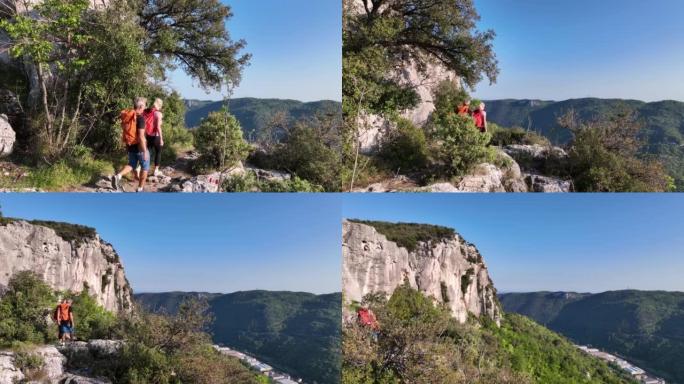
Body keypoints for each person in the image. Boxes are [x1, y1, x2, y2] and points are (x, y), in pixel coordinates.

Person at [112, 97, 150, 192]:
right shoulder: (140, 118)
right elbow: (141, 136)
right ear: (141, 106)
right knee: (145, 167)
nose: (145, 107)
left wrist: (127, 147)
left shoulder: (129, 116)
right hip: (139, 147)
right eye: (145, 105)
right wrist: (144, 151)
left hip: (130, 144)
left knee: (131, 164)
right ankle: (140, 188)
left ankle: (118, 176)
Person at [143, 98, 164, 177]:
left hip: (148, 135)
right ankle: (156, 170)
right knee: (158, 152)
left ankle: (140, 168)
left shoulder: (147, 111)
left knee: (147, 152)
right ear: (160, 105)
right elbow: (158, 127)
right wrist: (161, 139)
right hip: (156, 136)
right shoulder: (158, 113)